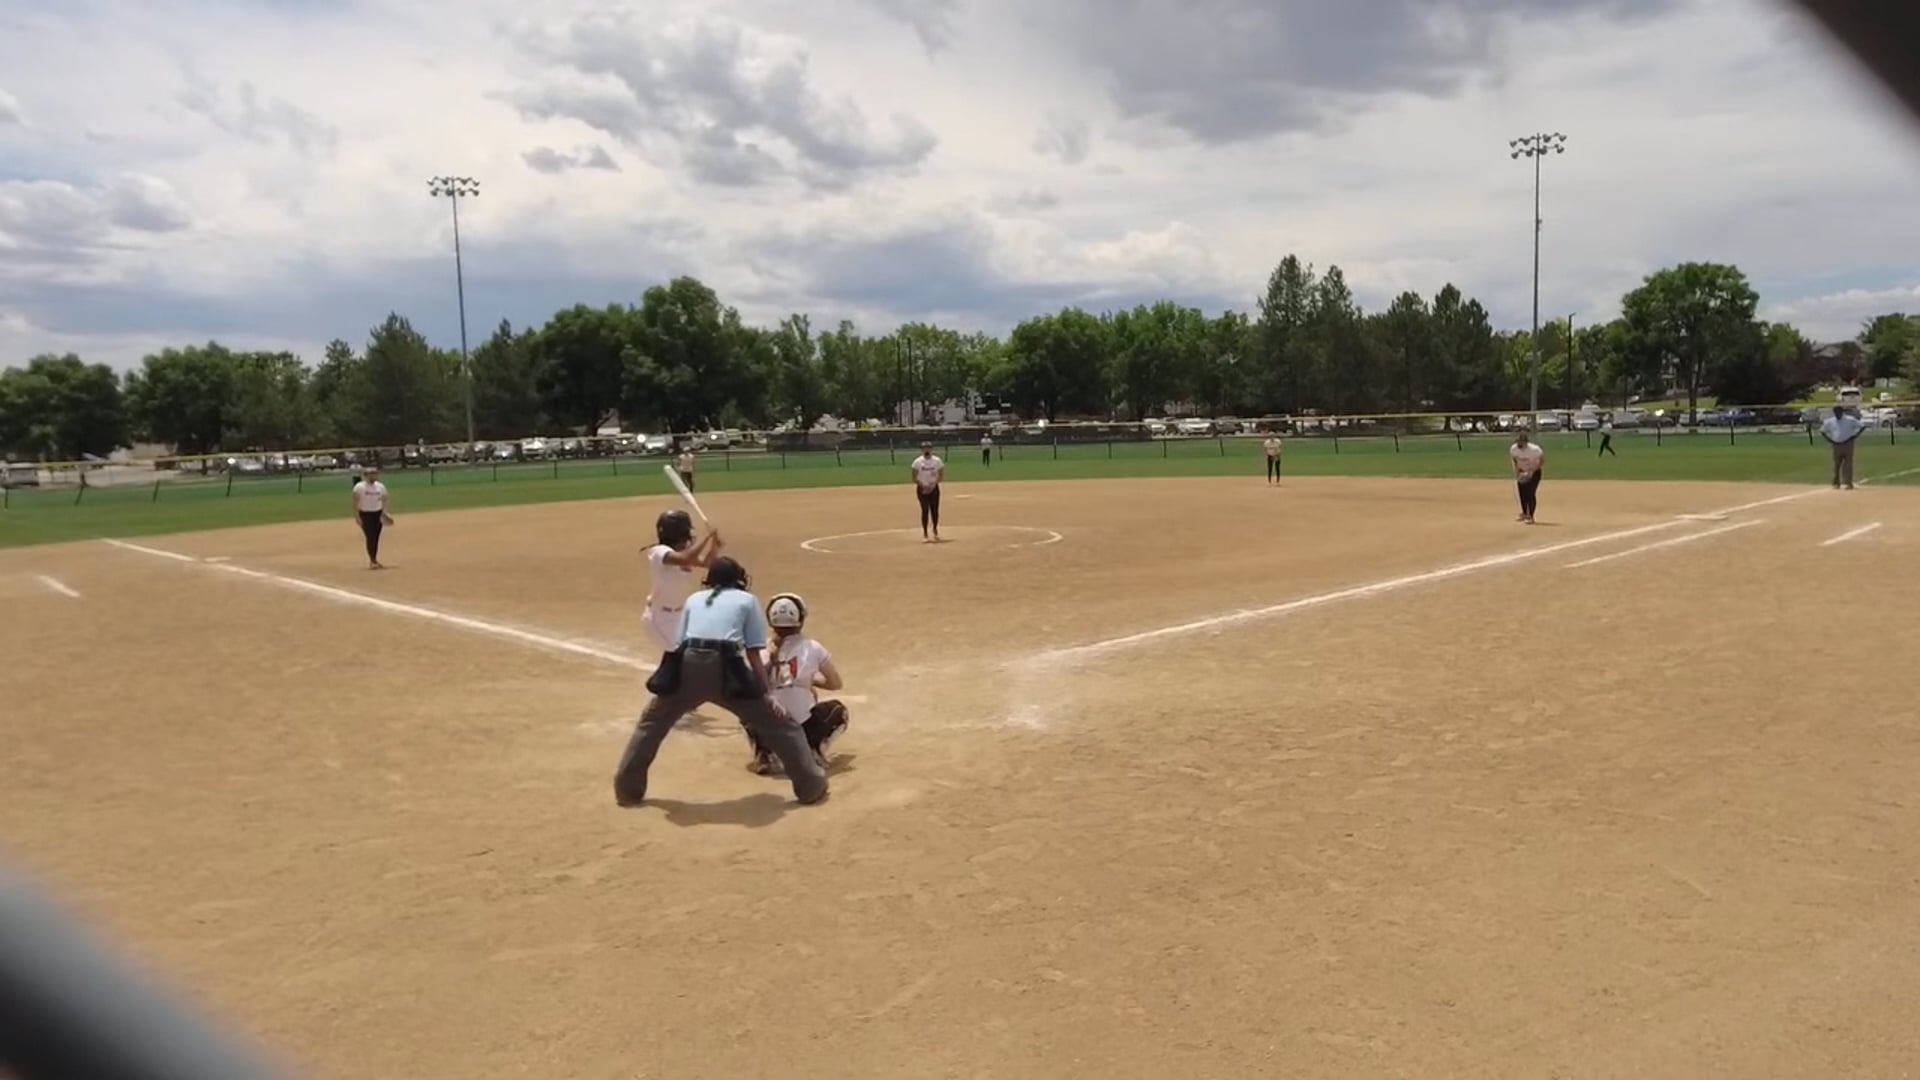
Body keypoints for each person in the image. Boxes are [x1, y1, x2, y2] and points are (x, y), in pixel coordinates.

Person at [613, 557, 828, 807]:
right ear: (738, 580)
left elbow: (678, 644)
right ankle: (811, 786)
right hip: (727, 668)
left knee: (651, 723)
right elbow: (753, 652)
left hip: (688, 665)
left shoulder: (694, 599)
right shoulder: (747, 600)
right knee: (780, 725)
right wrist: (766, 695)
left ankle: (627, 790)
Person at [743, 593, 849, 776]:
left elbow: (750, 684)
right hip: (801, 724)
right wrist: (808, 681)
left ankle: (764, 752)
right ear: (800, 619)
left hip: (768, 724)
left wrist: (772, 662)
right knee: (839, 711)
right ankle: (813, 748)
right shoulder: (813, 647)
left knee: (746, 706)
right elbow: (835, 683)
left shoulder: (759, 649)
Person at [642, 510, 722, 652]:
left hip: (679, 616)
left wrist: (714, 545)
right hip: (659, 618)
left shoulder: (680, 553)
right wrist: (707, 537)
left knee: (686, 655)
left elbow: (708, 563)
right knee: (683, 654)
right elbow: (685, 559)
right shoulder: (658, 551)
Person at [349, 466, 393, 569]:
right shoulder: (359, 487)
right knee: (371, 536)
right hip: (365, 514)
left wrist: (385, 513)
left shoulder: (380, 487)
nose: (373, 476)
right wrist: (357, 516)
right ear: (365, 476)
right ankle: (373, 561)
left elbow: (384, 499)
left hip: (377, 514)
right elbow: (355, 502)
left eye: (375, 474)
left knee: (376, 537)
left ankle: (374, 559)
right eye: (371, 474)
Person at [1821, 405, 1864, 489]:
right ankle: (1836, 482)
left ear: (1842, 412)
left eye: (1839, 413)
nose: (1837, 415)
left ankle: (1848, 483)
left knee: (1848, 464)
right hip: (1836, 444)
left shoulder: (1850, 420)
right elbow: (1822, 431)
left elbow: (1862, 426)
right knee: (1836, 464)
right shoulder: (1830, 421)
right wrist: (1830, 440)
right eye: (1836, 413)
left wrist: (1855, 436)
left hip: (1848, 443)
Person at [911, 442, 944, 542]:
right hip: (922, 489)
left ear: (931, 449)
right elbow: (914, 477)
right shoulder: (917, 462)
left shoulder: (937, 461)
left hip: (934, 489)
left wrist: (933, 485)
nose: (926, 450)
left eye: (928, 448)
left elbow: (941, 475)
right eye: (924, 448)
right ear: (921, 450)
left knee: (935, 510)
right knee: (925, 510)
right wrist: (922, 486)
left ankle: (935, 529)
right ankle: (925, 533)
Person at [1510, 430, 1545, 524]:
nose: (1518, 444)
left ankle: (1531, 516)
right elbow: (1514, 459)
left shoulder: (1534, 450)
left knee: (1530, 493)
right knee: (1522, 493)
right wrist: (1517, 470)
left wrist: (1532, 471)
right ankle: (1525, 513)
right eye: (1518, 441)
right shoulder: (1514, 449)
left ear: (1525, 442)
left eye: (1520, 442)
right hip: (1522, 471)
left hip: (1534, 472)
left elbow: (1542, 460)